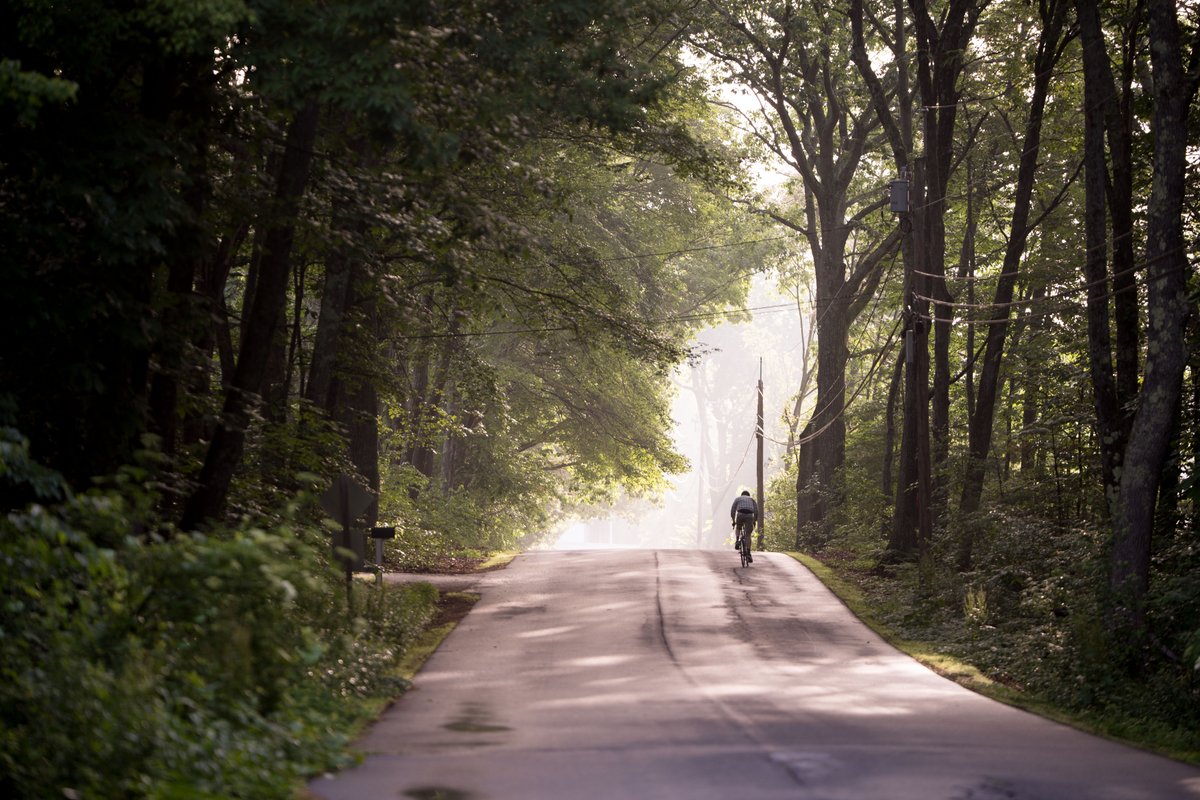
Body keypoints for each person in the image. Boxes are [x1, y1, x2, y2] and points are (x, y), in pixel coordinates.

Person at [730, 490, 757, 563]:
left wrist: (733, 521)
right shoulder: (752, 499)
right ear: (748, 495)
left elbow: (733, 510)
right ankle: (748, 553)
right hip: (749, 515)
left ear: (742, 495)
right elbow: (756, 511)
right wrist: (754, 521)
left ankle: (738, 540)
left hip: (740, 513)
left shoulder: (738, 499)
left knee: (738, 527)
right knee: (748, 534)